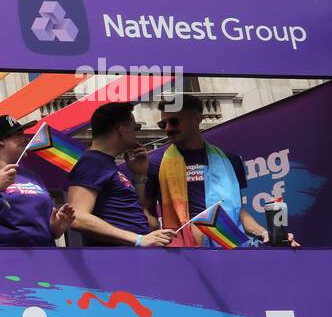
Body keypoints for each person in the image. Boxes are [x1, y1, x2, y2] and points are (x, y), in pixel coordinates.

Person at [143, 94, 297, 247]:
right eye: (163, 124)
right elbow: (148, 216)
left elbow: (241, 214)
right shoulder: (156, 163)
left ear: (197, 119)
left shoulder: (230, 161)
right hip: (182, 256)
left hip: (229, 250)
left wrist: (265, 233)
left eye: (174, 122)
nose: (168, 129)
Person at [0, 114, 75, 247]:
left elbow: (45, 227)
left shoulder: (32, 177)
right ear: (1, 140)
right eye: (19, 134)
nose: (26, 139)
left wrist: (56, 228)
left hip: (43, 258)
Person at [66, 102, 173, 248]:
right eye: (135, 128)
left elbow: (132, 211)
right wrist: (138, 239)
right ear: (122, 130)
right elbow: (77, 217)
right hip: (115, 259)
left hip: (128, 256)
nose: (137, 134)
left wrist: (139, 175)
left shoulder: (105, 163)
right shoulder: (92, 163)